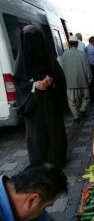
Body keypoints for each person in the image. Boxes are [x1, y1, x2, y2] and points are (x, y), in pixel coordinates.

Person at [13, 25, 67, 168]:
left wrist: (52, 80)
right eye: (30, 39)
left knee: (53, 130)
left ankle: (57, 160)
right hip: (33, 105)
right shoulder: (22, 60)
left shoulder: (49, 57)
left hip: (50, 101)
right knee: (37, 134)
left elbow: (59, 76)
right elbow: (19, 82)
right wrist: (34, 85)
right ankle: (39, 163)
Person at [59, 35, 92, 122]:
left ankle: (76, 116)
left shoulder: (64, 55)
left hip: (69, 82)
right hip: (83, 82)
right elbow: (87, 67)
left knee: (71, 101)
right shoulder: (82, 54)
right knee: (86, 98)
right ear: (77, 44)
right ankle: (82, 110)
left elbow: (62, 69)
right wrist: (89, 79)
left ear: (69, 44)